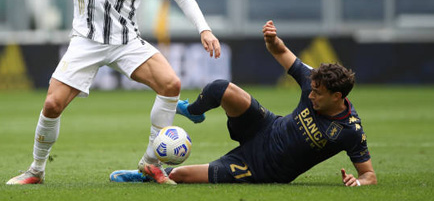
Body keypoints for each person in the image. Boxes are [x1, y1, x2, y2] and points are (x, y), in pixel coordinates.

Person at [6, 0, 221, 185]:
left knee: (171, 85)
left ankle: (150, 164)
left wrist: (204, 29)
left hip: (126, 41)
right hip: (87, 39)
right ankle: (36, 170)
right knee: (53, 105)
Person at [110, 20, 377, 186]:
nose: (311, 95)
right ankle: (192, 112)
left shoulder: (349, 131)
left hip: (262, 168)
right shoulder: (312, 81)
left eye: (318, 94)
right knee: (220, 88)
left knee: (180, 176)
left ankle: (148, 173)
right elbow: (281, 51)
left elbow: (369, 176)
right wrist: (272, 40)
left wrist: (358, 183)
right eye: (312, 89)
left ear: (337, 98)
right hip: (265, 127)